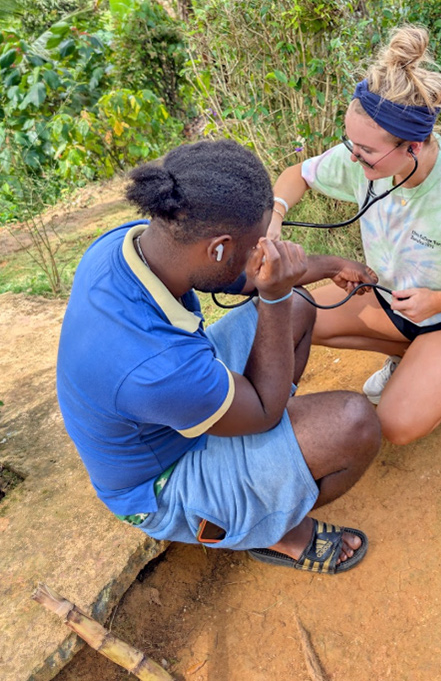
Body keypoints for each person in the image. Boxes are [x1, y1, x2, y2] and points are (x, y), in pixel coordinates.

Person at [57, 140, 382, 575]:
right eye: (256, 244)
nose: (262, 252)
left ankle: (264, 462)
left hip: (173, 404)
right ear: (218, 248)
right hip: (162, 483)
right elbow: (265, 411)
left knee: (298, 308)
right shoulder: (156, 367)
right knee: (353, 423)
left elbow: (243, 276)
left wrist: (330, 265)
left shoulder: (132, 245)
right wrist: (275, 294)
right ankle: (273, 527)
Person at [269, 27, 441, 446]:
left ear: (413, 145)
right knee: (291, 312)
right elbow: (298, 175)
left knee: (395, 425)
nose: (353, 158)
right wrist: (274, 217)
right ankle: (415, 361)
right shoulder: (365, 158)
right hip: (395, 304)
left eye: (366, 151)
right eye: (350, 143)